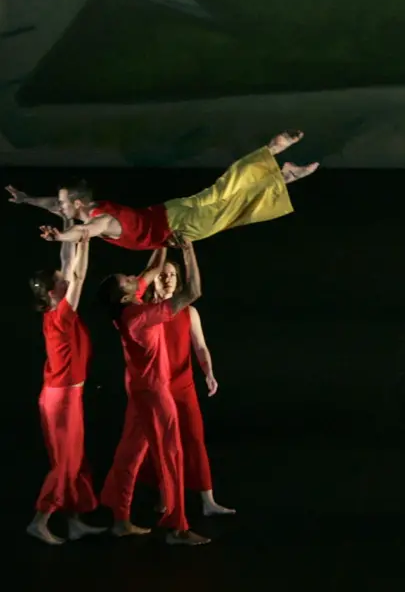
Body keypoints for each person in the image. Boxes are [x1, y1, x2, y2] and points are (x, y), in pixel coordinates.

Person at [98, 241, 209, 546]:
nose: (137, 278)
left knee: (129, 455)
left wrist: (161, 239)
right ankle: (177, 527)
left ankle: (120, 519)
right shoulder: (138, 315)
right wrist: (187, 251)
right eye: (129, 280)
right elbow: (192, 293)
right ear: (124, 292)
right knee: (172, 455)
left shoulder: (127, 303)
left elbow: (152, 269)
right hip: (154, 393)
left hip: (137, 389)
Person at [34, 131, 319, 250]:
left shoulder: (101, 221)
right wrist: (27, 199)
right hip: (171, 208)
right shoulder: (93, 205)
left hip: (179, 227)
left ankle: (285, 175)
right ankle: (271, 150)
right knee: (224, 187)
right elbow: (53, 204)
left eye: (63, 205)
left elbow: (83, 232)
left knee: (233, 208)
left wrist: (61, 236)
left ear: (79, 202)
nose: (60, 209)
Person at [138, 257, 234, 517]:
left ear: (179, 281)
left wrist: (209, 373)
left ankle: (208, 501)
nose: (167, 279)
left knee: (194, 440)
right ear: (154, 279)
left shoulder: (188, 311)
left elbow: (200, 346)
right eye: (162, 275)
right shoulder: (144, 311)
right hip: (156, 388)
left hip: (183, 385)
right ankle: (165, 498)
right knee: (158, 444)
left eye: (172, 275)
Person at [27, 237, 107, 544]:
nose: (67, 279)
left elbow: (69, 267)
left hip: (66, 397)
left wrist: (72, 234)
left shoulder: (59, 314)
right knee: (65, 463)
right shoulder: (60, 316)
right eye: (61, 282)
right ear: (52, 292)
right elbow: (79, 275)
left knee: (75, 459)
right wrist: (83, 242)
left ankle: (74, 522)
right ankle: (40, 520)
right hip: (60, 399)